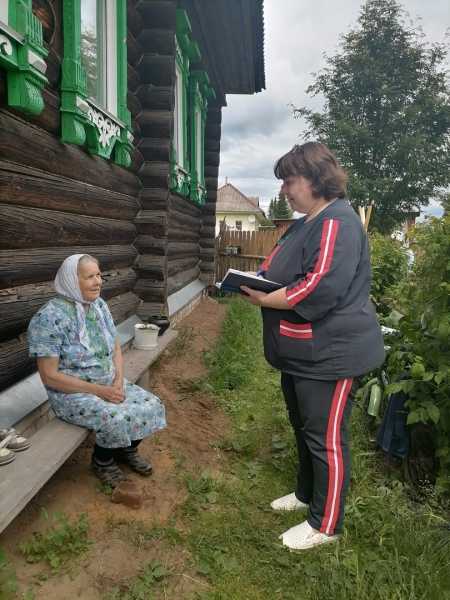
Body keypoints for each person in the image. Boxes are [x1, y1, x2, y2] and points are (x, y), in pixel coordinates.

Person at [241, 142, 385, 550]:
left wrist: (264, 298)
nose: (285, 189)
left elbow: (320, 287)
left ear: (316, 178)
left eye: (290, 180)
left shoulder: (338, 221)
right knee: (303, 427)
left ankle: (326, 524)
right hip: (301, 351)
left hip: (333, 354)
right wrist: (254, 279)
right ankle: (307, 494)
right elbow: (276, 266)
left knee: (327, 438)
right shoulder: (308, 222)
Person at [28, 254, 166, 488]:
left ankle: (126, 450)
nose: (98, 281)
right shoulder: (49, 318)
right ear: (72, 280)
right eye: (89, 277)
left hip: (107, 383)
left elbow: (114, 346)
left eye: (99, 275)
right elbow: (49, 375)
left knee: (152, 404)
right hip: (71, 394)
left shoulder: (98, 306)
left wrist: (119, 379)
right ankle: (103, 461)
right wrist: (100, 391)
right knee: (115, 417)